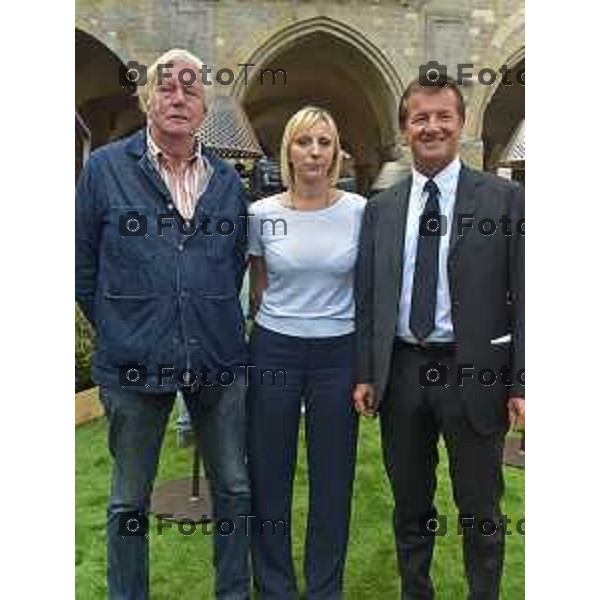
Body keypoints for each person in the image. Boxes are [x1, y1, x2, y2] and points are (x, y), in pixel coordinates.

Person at [75, 48, 251, 600]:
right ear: (148, 98)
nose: (178, 97)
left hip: (216, 359)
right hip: (133, 363)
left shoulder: (226, 181)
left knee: (235, 489)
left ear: (204, 108)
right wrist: (119, 328)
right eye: (167, 87)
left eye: (191, 89)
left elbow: (233, 260)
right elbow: (82, 264)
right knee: (129, 499)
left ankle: (232, 591)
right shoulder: (105, 168)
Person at [353, 77, 525, 599]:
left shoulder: (504, 200)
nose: (431, 127)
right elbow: (369, 299)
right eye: (420, 118)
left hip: (474, 372)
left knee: (480, 508)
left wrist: (522, 381)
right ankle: (416, 591)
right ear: (405, 128)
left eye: (442, 117)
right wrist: (366, 372)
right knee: (410, 505)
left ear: (460, 123)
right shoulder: (381, 209)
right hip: (402, 373)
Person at [247, 106, 366, 600]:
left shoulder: (359, 211)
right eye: (304, 142)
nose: (314, 152)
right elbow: (258, 287)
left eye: (324, 142)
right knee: (268, 474)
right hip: (274, 349)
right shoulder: (262, 214)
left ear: (336, 152)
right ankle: (274, 587)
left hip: (339, 354)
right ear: (288, 151)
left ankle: (323, 589)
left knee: (332, 480)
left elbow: (365, 288)